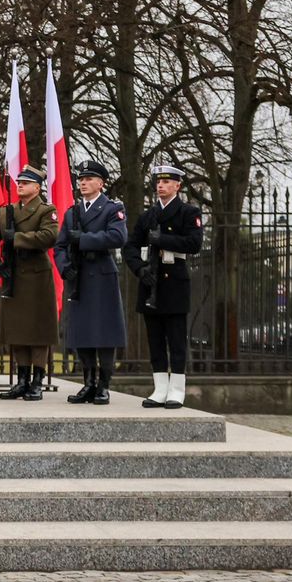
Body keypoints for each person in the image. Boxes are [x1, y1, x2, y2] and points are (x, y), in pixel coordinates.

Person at [125, 164, 204, 408]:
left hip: (175, 280)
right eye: (158, 182)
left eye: (167, 182)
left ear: (177, 186)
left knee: (176, 340)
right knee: (156, 339)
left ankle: (177, 389)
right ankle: (160, 387)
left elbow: (194, 243)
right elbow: (130, 246)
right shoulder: (148, 216)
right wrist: (140, 269)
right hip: (152, 280)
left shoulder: (189, 213)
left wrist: (163, 239)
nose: (161, 186)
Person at [0, 165, 59, 401]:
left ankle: (37, 381)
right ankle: (22, 380)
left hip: (37, 276)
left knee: (38, 331)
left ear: (37, 187)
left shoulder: (46, 210)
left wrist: (18, 239)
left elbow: (50, 236)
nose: (20, 185)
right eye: (19, 182)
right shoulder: (7, 213)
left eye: (25, 182)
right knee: (18, 330)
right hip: (13, 275)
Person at [54, 160, 128, 405]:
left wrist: (84, 239)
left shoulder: (111, 208)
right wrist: (65, 268)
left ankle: (104, 385)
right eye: (81, 179)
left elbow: (118, 236)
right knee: (82, 333)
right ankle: (88, 383)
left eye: (88, 179)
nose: (83, 183)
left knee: (105, 333)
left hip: (102, 275)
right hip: (79, 276)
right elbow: (60, 245)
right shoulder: (72, 212)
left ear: (100, 183)